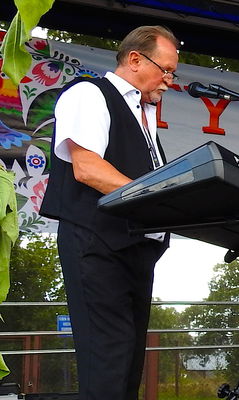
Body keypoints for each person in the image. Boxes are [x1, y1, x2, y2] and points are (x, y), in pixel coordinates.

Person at [39, 26, 179, 399]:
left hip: (136, 249)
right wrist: (160, 195)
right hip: (98, 244)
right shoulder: (89, 94)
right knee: (108, 362)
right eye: (165, 70)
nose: (169, 81)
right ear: (135, 59)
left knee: (128, 366)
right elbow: (87, 168)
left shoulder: (144, 116)